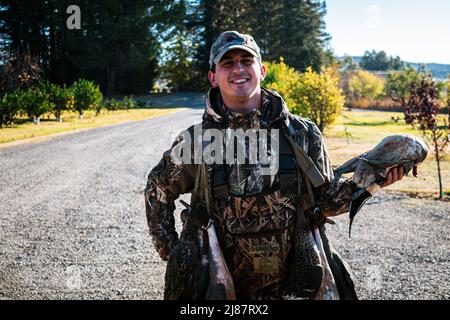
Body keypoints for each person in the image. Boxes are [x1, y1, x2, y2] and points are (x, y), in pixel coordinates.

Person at [144, 31, 405, 300]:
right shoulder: (196, 141)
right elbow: (157, 190)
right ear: (213, 77)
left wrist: (375, 180)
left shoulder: (303, 133)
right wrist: (177, 255)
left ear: (262, 69)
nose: (239, 69)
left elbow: (327, 200)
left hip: (297, 283)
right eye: (227, 63)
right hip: (219, 287)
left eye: (247, 61)